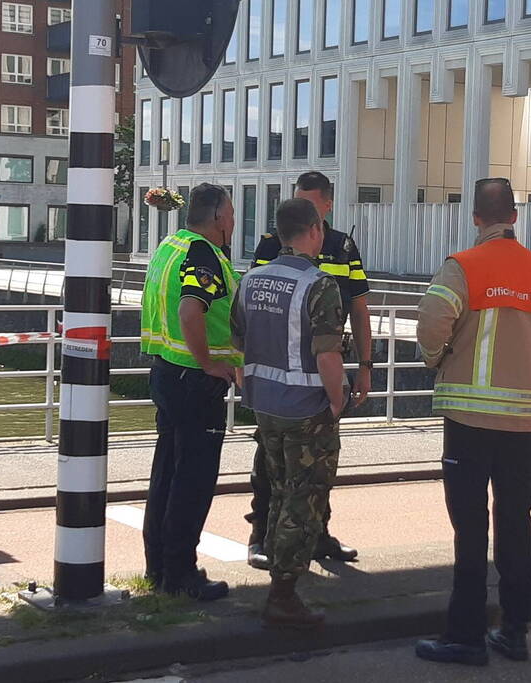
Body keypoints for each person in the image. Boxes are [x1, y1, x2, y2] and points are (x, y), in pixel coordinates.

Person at [414, 178, 531, 667]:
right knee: (517, 524)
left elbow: (432, 319)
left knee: (470, 528)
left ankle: (465, 636)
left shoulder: (464, 266)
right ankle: (514, 630)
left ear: (476, 217)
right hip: (522, 422)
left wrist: (437, 359)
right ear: (515, 217)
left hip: (468, 419)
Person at [230, 198, 347, 629]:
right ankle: (283, 595)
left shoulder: (252, 279)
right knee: (303, 498)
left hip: (264, 404)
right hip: (306, 408)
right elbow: (328, 354)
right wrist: (336, 402)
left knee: (278, 490)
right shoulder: (319, 284)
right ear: (315, 230)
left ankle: (276, 570)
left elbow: (239, 340)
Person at [244, 171, 370, 569]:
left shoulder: (342, 246)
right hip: (293, 381)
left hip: (313, 377)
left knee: (314, 473)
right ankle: (263, 538)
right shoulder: (271, 246)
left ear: (326, 209)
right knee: (273, 468)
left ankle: (316, 536)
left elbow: (359, 309)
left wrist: (365, 367)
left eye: (310, 204)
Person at [139, 183, 242, 602]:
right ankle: (181, 574)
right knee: (193, 480)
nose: (234, 221)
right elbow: (190, 310)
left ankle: (158, 567)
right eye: (232, 214)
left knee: (166, 472)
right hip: (194, 382)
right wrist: (210, 363)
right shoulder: (202, 254)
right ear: (218, 218)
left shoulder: (171, 245)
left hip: (166, 371)